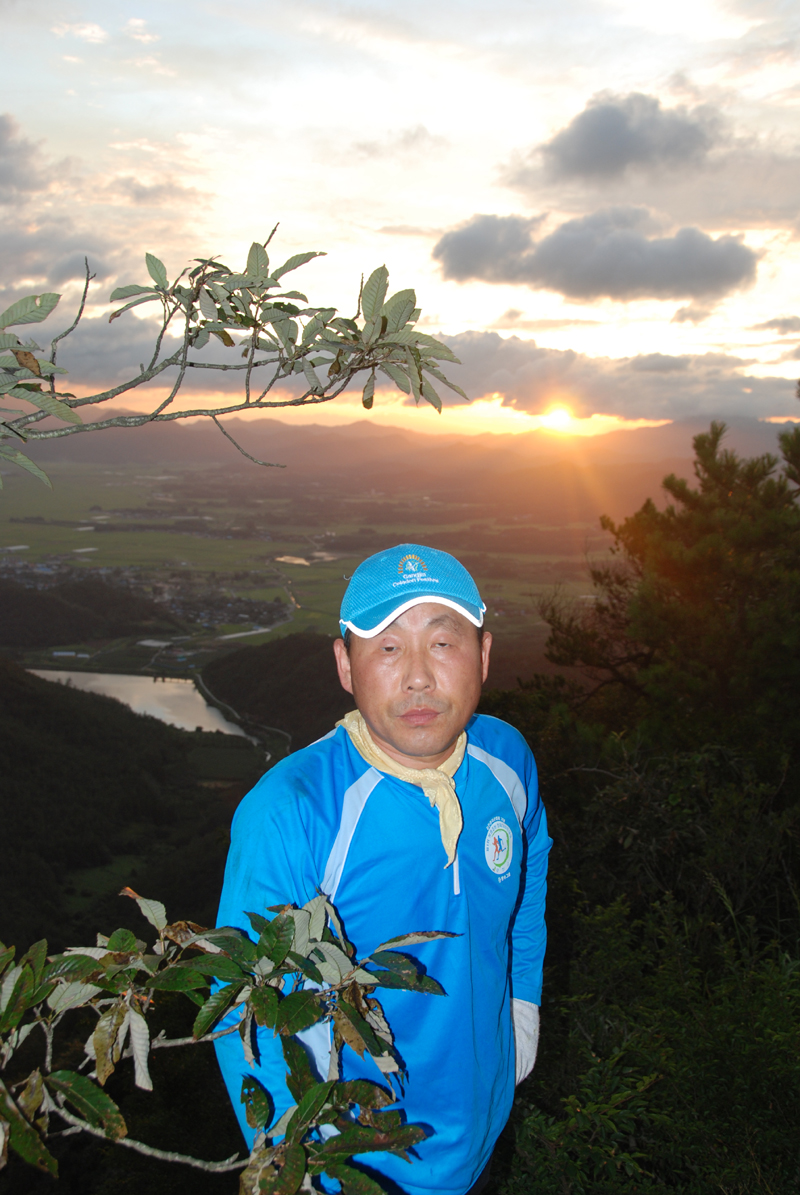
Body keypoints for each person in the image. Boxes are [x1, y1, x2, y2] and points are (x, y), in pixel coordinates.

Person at [214, 543, 551, 1195]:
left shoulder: (506, 760)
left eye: (443, 643)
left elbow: (531, 859)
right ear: (346, 665)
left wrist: (522, 999)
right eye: (388, 647)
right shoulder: (293, 811)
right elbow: (245, 1013)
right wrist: (300, 1169)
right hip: (362, 1167)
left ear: (483, 655)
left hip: (482, 1139)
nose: (419, 677)